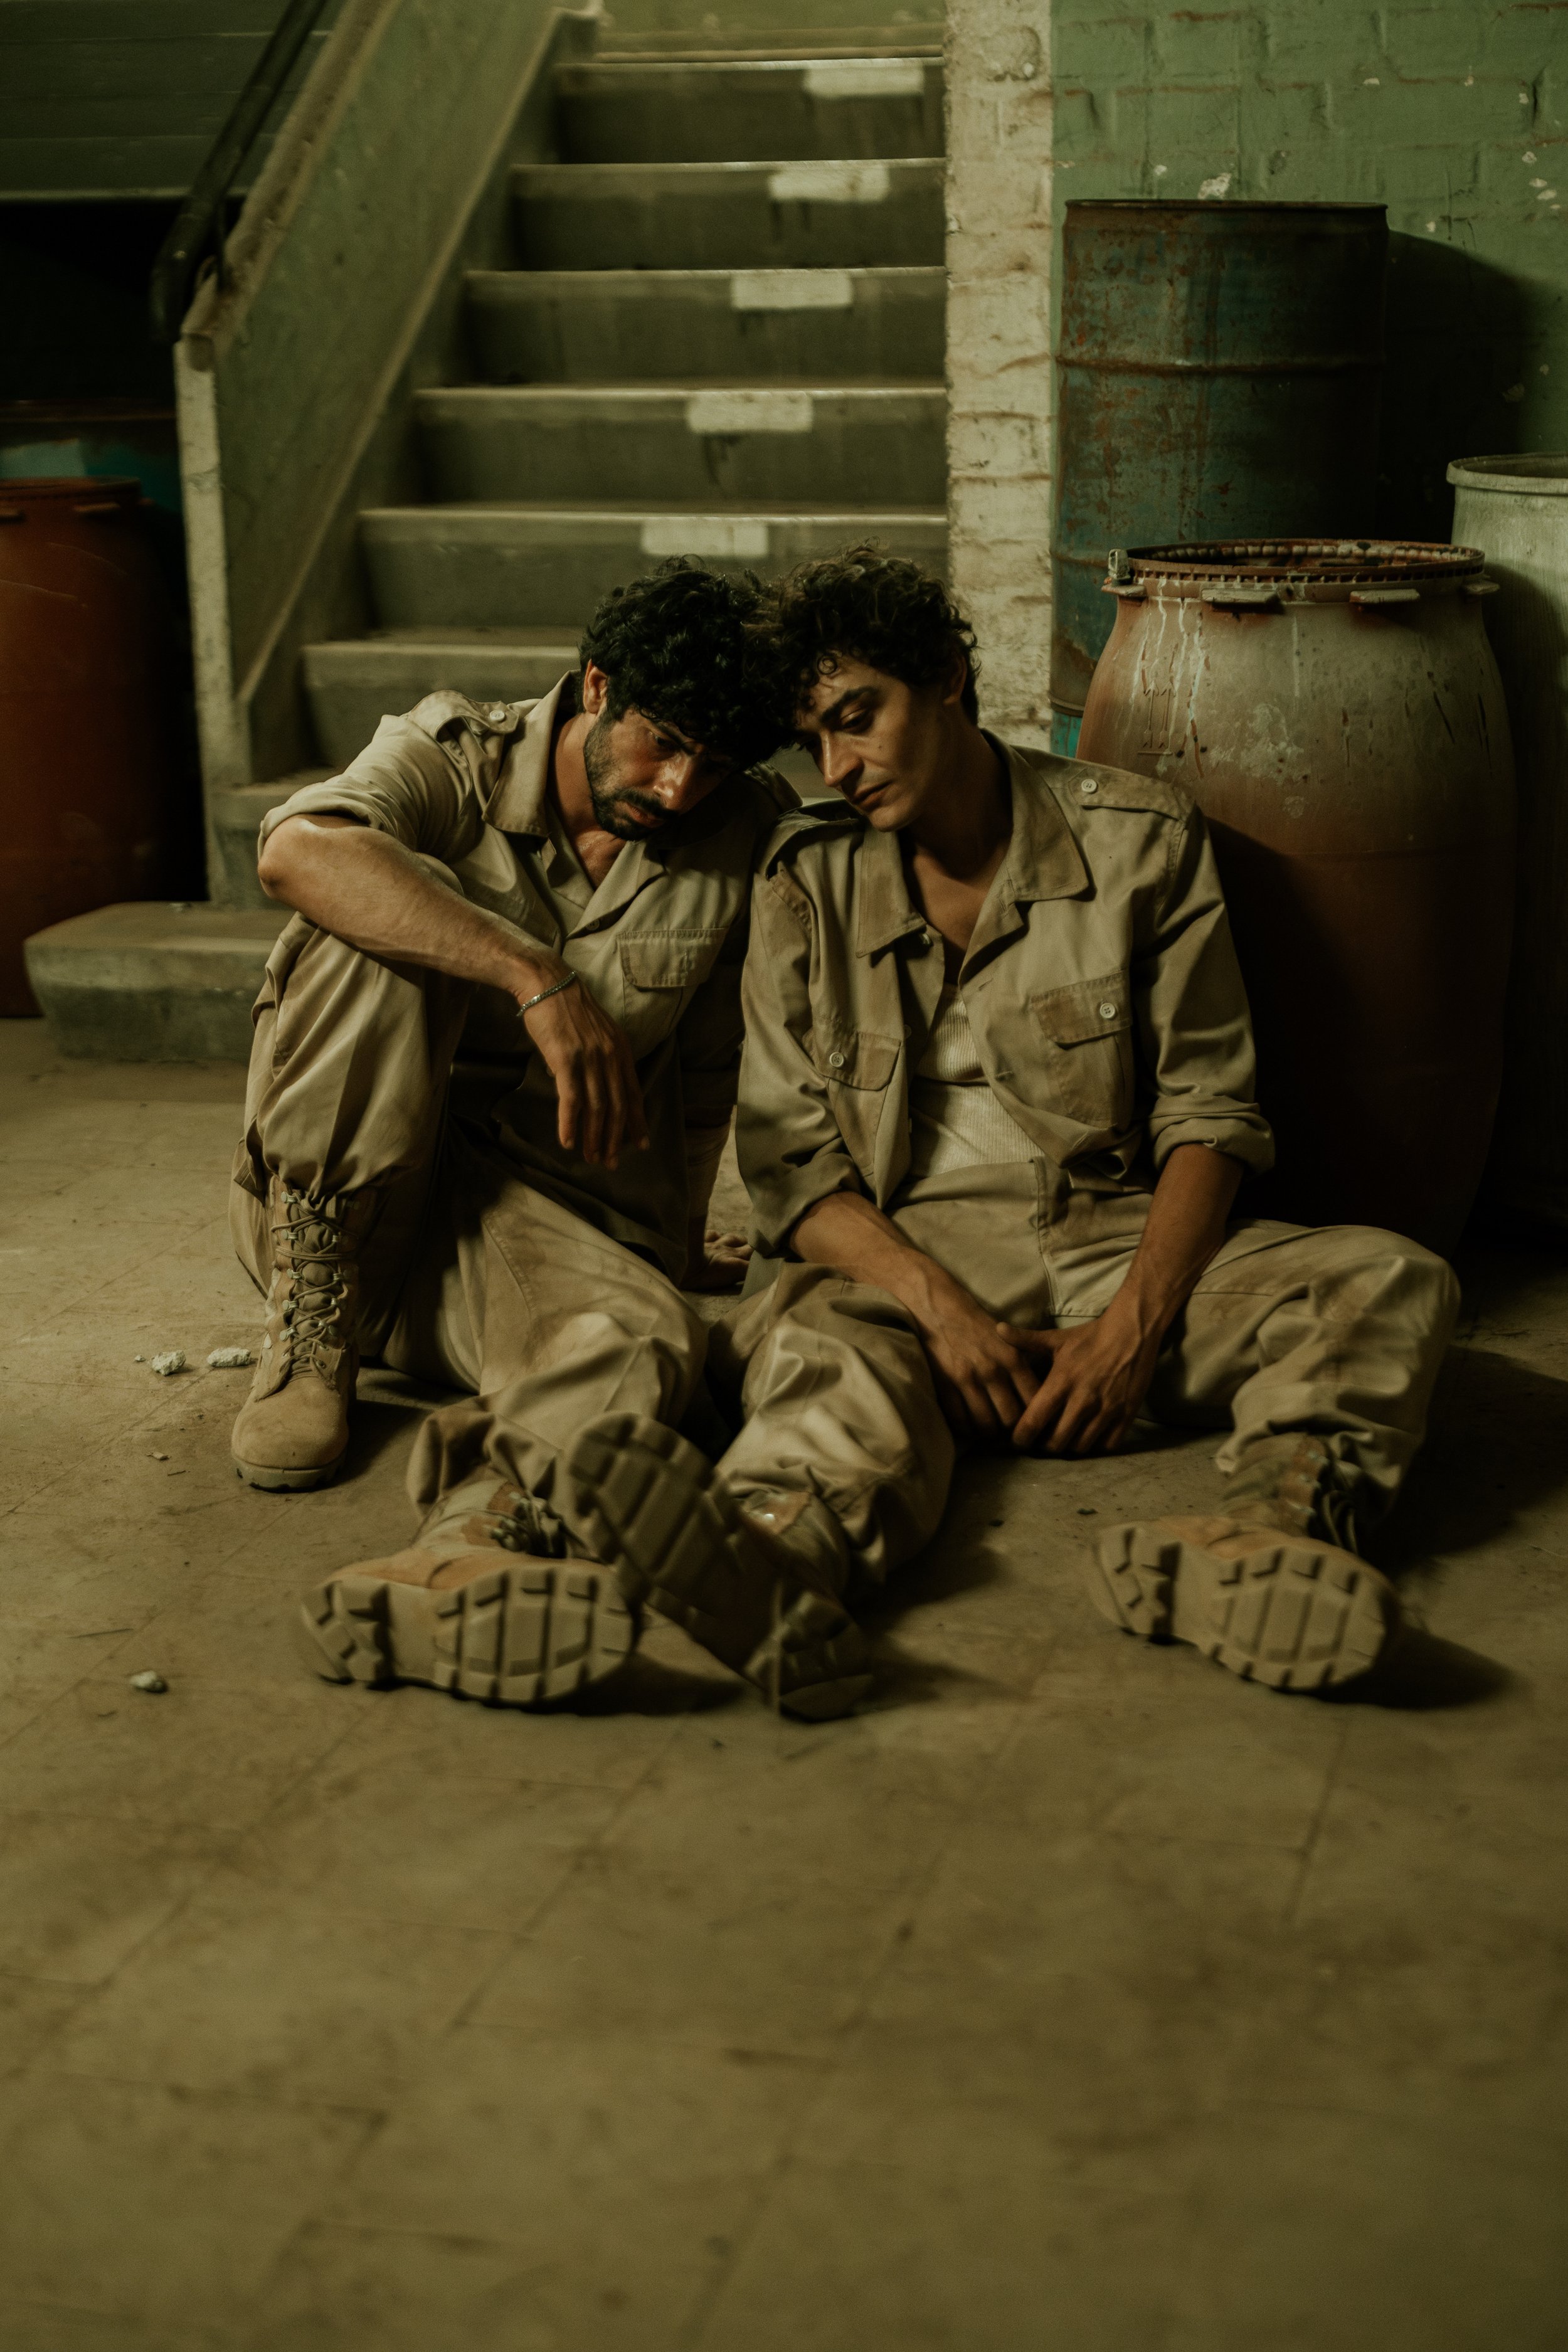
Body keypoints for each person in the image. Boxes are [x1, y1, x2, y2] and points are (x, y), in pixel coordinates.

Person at [621, 546, 1457, 1695]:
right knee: (831, 1354)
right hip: (902, 1262)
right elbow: (791, 1169)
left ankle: (1273, 1535)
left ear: (951, 678)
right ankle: (774, 1557)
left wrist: (1130, 1330)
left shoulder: (1137, 839)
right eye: (814, 740)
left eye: (858, 717)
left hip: (1106, 1242)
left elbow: (1212, 1110)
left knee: (1388, 1281)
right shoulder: (805, 879)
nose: (840, 765)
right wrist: (940, 1308)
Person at [232, 561, 869, 1722]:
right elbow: (295, 850)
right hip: (355, 1201)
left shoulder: (738, 834)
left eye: (714, 765)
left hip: (533, 1223)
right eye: (660, 743)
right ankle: (313, 1326)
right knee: (377, 905)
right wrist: (530, 971)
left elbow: (715, 1068)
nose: (679, 788)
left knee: (644, 1340)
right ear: (595, 687)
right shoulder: (451, 755)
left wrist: (676, 1237)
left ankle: (463, 1556)